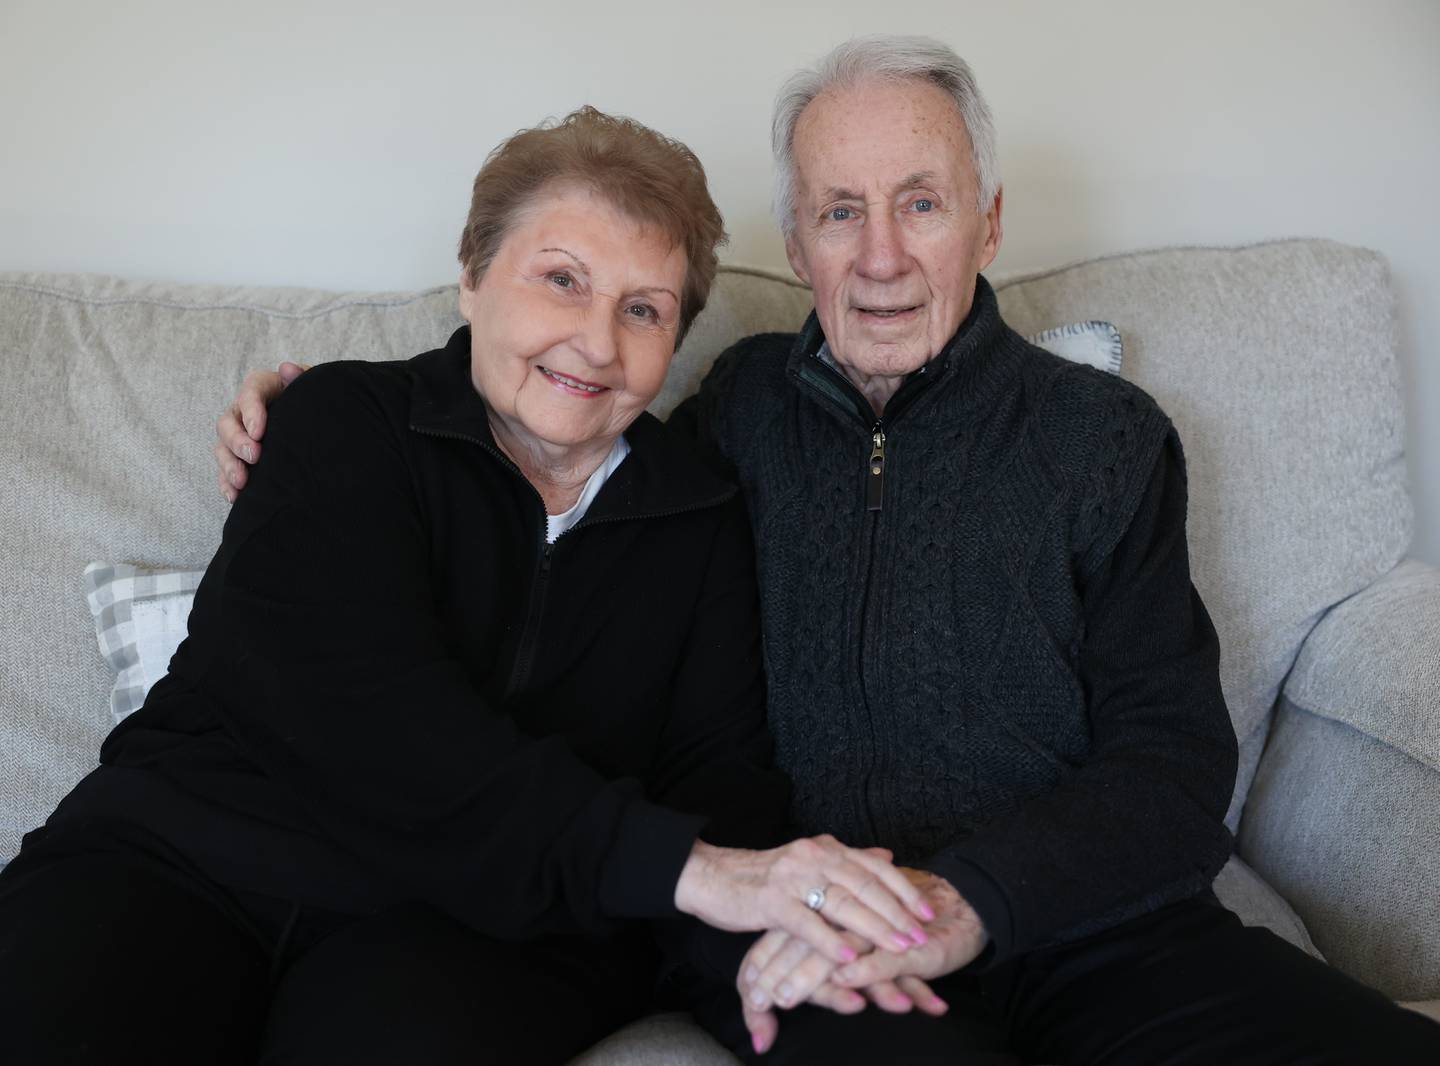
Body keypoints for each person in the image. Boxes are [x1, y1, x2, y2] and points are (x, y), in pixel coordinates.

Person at [216, 39, 1440, 1065]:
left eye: (922, 201)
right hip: (812, 923)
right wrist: (323, 422)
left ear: (989, 220)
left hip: (1086, 923)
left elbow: (1173, 768)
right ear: (796, 246)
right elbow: (564, 467)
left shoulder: (1103, 439)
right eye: (839, 212)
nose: (882, 255)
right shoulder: (730, 418)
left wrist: (972, 901)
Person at [0, 105, 940, 1066]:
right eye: (561, 280)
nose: (597, 342)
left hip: (464, 929)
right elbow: (368, 715)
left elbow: (717, 780)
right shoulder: (343, 425)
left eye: (644, 308)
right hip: (182, 862)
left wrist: (777, 940)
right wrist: (685, 868)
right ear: (472, 276)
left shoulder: (697, 517)